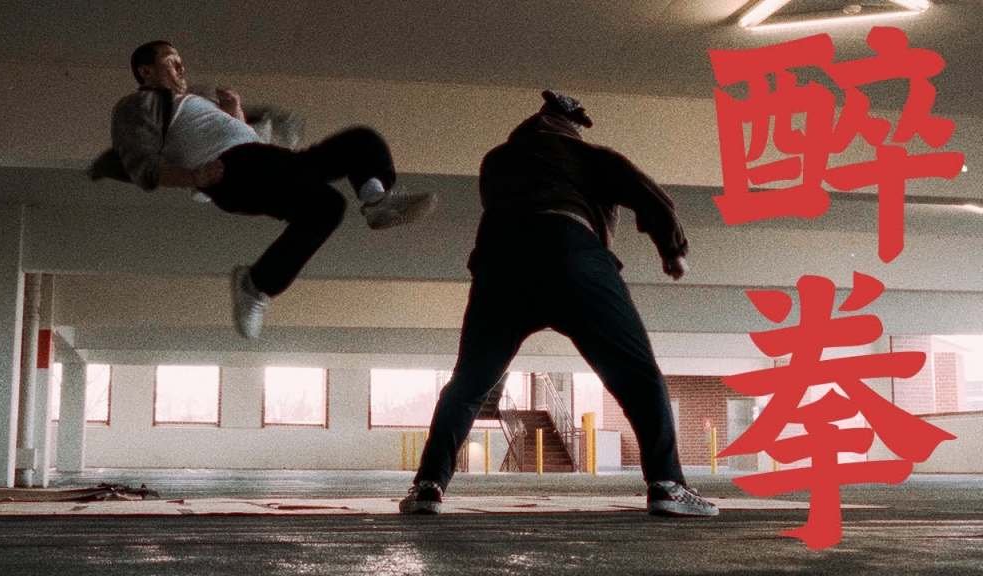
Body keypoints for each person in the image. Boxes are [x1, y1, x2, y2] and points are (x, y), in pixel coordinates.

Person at [399, 90, 718, 517]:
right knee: (638, 378)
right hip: (572, 253)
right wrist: (672, 250)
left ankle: (428, 487)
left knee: (468, 385)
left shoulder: (496, 161)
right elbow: (651, 196)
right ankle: (667, 485)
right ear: (569, 130)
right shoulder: (589, 156)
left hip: (502, 266)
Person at [106, 40, 436, 339]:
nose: (181, 68)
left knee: (349, 165)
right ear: (146, 71)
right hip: (230, 170)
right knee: (326, 194)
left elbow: (243, 138)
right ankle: (257, 284)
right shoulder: (136, 106)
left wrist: (236, 116)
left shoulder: (197, 99)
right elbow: (142, 167)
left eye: (181, 61)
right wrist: (194, 177)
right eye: (170, 61)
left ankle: (372, 202)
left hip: (259, 160)